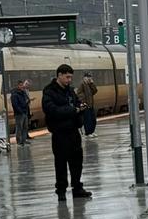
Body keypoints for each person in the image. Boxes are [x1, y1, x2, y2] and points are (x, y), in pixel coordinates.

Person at [42, 64, 92, 201]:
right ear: (59, 75)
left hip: (73, 132)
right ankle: (61, 190)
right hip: (59, 133)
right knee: (61, 163)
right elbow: (51, 110)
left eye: (71, 77)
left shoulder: (70, 91)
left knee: (77, 161)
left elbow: (76, 104)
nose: (69, 80)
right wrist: (72, 110)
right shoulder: (49, 92)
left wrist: (80, 109)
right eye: (67, 77)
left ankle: (77, 187)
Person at [77, 73, 99, 137]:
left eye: (90, 77)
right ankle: (88, 133)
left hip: (91, 105)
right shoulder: (82, 84)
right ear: (84, 78)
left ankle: (92, 131)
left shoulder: (89, 84)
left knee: (93, 120)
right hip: (86, 105)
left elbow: (95, 91)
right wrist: (84, 102)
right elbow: (79, 93)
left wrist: (92, 83)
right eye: (88, 77)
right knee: (87, 120)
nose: (89, 79)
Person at [11, 79, 31, 146]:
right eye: (20, 85)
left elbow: (25, 101)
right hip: (19, 114)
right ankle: (19, 141)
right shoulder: (15, 94)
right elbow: (15, 105)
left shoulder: (23, 93)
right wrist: (21, 111)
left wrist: (28, 102)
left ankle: (24, 140)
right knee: (19, 127)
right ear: (17, 86)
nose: (22, 86)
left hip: (25, 112)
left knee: (25, 127)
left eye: (22, 85)